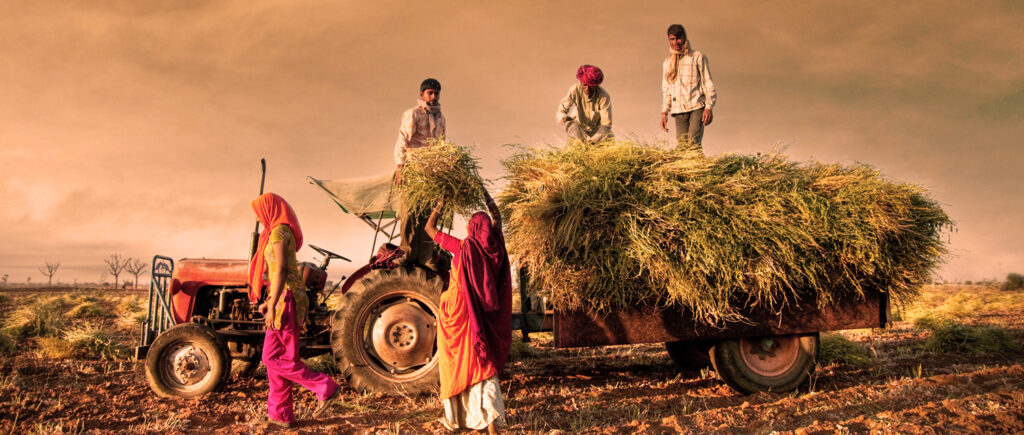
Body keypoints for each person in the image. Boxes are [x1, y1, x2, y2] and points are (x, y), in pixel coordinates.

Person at [249, 193, 340, 428]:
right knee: (282, 360)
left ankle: (324, 386)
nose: (259, 219)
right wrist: (269, 301)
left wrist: (273, 304)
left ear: (270, 209)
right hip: (284, 298)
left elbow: (280, 270)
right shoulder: (280, 230)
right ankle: (281, 415)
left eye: (260, 212)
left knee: (270, 357)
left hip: (286, 300)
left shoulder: (279, 231)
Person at [425, 191, 512, 433]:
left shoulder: (463, 247)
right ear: (488, 229)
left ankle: (458, 419)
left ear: (472, 229)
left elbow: (429, 229)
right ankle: (491, 422)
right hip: (482, 317)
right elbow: (497, 218)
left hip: (458, 315)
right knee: (484, 366)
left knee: (457, 363)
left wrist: (441, 202)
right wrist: (486, 196)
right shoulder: (497, 247)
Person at [394, 78, 447, 269]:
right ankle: (406, 253)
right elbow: (402, 141)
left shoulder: (441, 118)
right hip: (413, 170)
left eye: (436, 93)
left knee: (428, 216)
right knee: (409, 212)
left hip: (430, 174)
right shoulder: (413, 114)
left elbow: (441, 146)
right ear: (422, 95)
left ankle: (425, 256)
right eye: (430, 93)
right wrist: (400, 168)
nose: (433, 97)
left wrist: (443, 172)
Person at [659, 24, 717, 150]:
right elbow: (667, 90)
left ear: (684, 38)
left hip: (696, 106)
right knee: (682, 148)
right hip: (679, 110)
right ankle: (687, 168)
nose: (676, 42)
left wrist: (709, 107)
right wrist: (664, 113)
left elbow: (707, 82)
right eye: (672, 39)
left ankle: (701, 168)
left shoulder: (697, 57)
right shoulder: (667, 63)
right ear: (669, 40)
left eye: (678, 38)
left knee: (693, 143)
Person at [556, 64, 613, 143]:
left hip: (597, 131)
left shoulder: (603, 96)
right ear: (581, 82)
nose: (587, 89)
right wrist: (562, 116)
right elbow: (563, 106)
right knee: (572, 126)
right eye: (585, 85)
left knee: (608, 133)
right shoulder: (575, 89)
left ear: (596, 85)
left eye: (591, 85)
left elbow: (606, 124)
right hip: (579, 129)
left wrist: (592, 141)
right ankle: (579, 147)